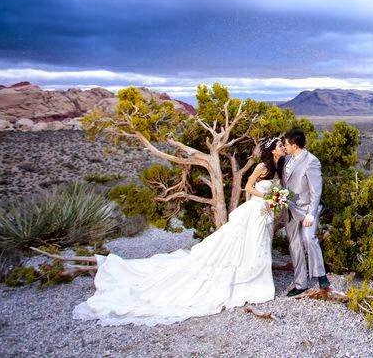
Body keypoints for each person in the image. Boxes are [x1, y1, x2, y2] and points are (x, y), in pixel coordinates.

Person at [73, 137, 286, 326]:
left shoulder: (278, 165)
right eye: (280, 145)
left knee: (258, 245)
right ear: (272, 149)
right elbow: (247, 187)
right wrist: (267, 198)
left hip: (265, 213)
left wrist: (275, 200)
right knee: (247, 243)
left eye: (283, 145)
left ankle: (257, 280)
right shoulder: (261, 166)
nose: (283, 147)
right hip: (255, 211)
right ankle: (250, 282)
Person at [282, 128, 330, 296]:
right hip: (289, 209)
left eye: (286, 144)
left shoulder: (311, 161)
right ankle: (300, 283)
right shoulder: (287, 159)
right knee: (294, 245)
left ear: (294, 145)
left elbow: (316, 190)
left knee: (309, 238)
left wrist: (310, 214)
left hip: (307, 209)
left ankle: (320, 274)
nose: (284, 147)